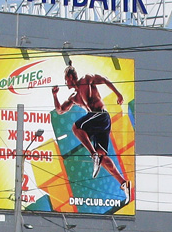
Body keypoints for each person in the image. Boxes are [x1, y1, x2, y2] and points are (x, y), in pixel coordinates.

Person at [51, 62, 132, 204]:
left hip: (101, 115)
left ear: (71, 76)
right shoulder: (73, 97)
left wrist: (118, 94)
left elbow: (105, 79)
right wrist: (55, 95)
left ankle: (93, 154)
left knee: (76, 128)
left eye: (66, 79)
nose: (66, 83)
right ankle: (124, 183)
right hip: (98, 123)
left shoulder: (86, 79)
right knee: (103, 157)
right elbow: (60, 110)